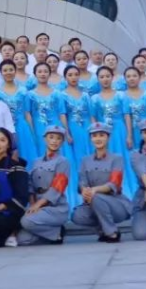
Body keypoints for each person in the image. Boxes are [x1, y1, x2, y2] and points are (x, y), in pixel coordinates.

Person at [72, 122, 131, 243]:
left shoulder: (117, 158)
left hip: (116, 204)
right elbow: (82, 181)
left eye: (101, 135)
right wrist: (84, 190)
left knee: (96, 197)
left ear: (108, 137)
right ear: (91, 138)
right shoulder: (85, 160)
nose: (98, 139)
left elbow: (114, 184)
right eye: (94, 136)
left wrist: (94, 190)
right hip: (92, 201)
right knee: (77, 216)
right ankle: (103, 230)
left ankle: (112, 233)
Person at [17, 125, 70, 245]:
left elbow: (58, 187)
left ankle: (58, 231)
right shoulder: (36, 161)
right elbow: (31, 185)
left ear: (62, 142)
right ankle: (55, 234)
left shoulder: (63, 162)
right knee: (22, 240)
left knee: (26, 222)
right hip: (38, 207)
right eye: (51, 137)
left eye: (58, 138)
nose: (54, 141)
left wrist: (38, 205)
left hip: (55, 208)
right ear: (45, 139)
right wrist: (32, 204)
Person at [90, 66, 136, 197]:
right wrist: (96, 135)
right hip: (103, 133)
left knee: (123, 158)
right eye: (102, 77)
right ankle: (106, 188)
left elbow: (127, 115)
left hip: (119, 131)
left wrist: (129, 135)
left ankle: (127, 189)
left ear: (112, 77)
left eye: (107, 76)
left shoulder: (121, 95)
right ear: (98, 79)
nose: (105, 79)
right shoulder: (94, 98)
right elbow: (93, 117)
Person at [0, 127, 29, 247]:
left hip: (9, 210)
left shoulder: (16, 167)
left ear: (8, 145)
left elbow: (22, 196)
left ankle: (13, 232)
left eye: (2, 140)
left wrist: (2, 206)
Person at [59, 65, 94, 209]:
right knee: (75, 161)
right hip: (72, 130)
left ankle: (94, 193)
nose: (73, 77)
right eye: (70, 75)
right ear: (65, 77)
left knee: (89, 158)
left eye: (75, 74)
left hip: (86, 130)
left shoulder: (85, 95)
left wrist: (94, 130)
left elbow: (91, 115)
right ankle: (79, 195)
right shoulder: (62, 95)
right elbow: (62, 115)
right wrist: (67, 133)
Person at [0, 61, 39, 163]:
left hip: (22, 127)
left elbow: (27, 113)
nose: (8, 72)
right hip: (4, 127)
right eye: (5, 70)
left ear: (15, 71)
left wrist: (32, 132)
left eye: (11, 70)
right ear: (1, 73)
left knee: (25, 154)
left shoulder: (23, 91)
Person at [29, 62, 66, 160]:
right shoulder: (30, 95)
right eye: (40, 72)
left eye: (45, 71)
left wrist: (66, 131)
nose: (43, 74)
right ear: (35, 74)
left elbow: (62, 113)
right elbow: (28, 114)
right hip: (38, 127)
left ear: (49, 74)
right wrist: (32, 131)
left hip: (56, 126)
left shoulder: (57, 94)